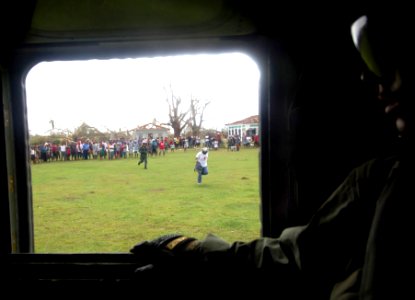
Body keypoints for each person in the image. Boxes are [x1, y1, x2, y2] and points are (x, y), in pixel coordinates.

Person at [130, 11, 414, 299]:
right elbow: (301, 253)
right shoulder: (377, 178)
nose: (369, 76)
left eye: (387, 60)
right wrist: (197, 251)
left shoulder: (380, 178)